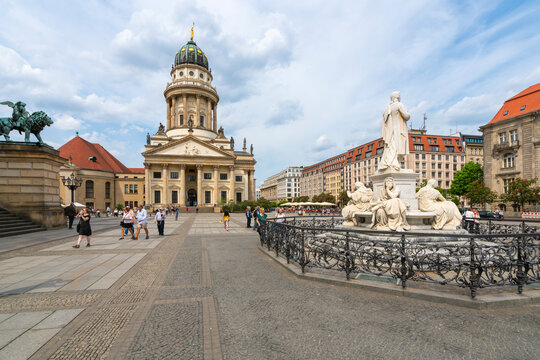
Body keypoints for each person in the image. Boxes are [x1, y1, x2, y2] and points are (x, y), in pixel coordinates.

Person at [378, 91, 411, 172]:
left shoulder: (388, 108)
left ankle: (393, 163)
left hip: (390, 131)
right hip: (399, 129)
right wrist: (408, 112)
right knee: (399, 147)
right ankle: (397, 164)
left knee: (392, 147)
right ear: (398, 97)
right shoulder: (399, 105)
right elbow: (406, 116)